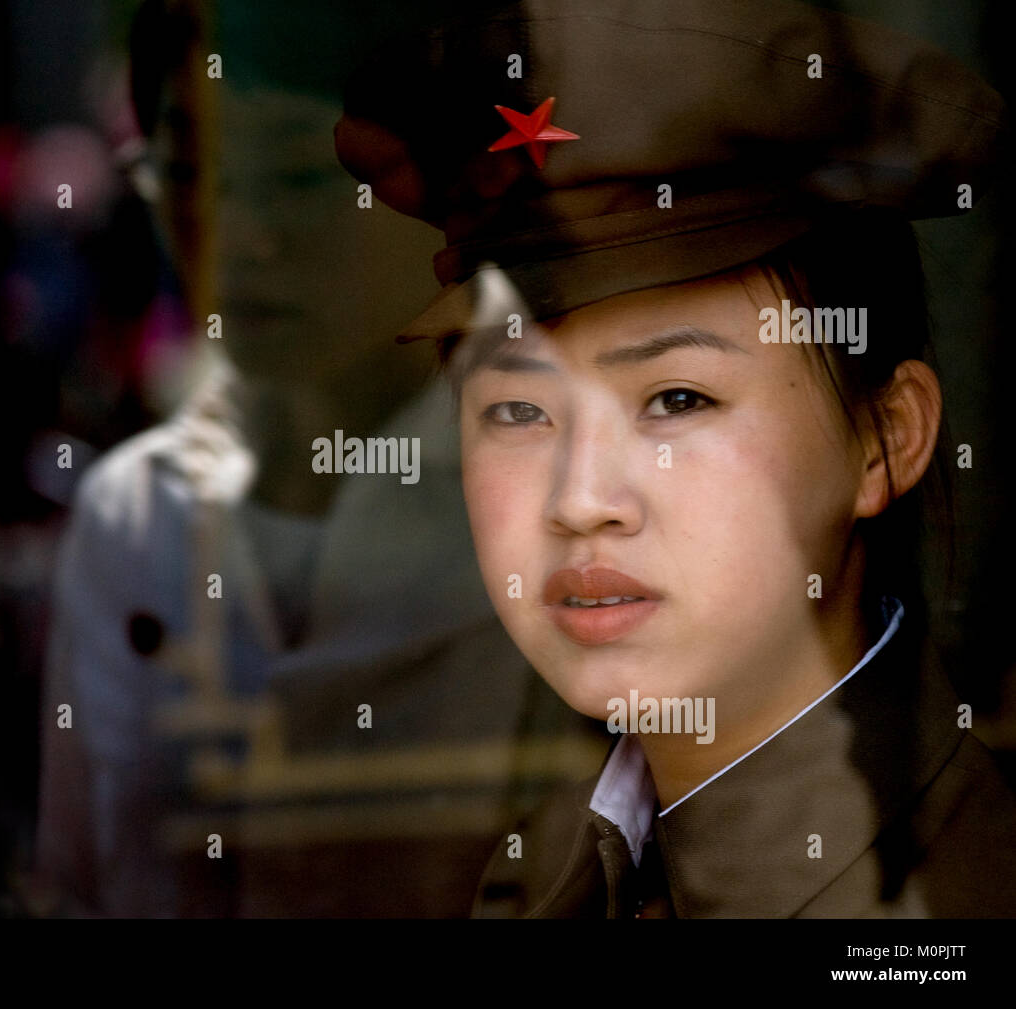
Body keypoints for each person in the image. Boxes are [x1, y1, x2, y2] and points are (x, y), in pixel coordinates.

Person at [334, 0, 1016, 916]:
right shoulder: (542, 867)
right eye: (519, 407)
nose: (580, 500)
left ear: (886, 436)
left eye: (678, 398)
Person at [33, 74, 607, 915]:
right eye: (189, 176)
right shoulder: (130, 515)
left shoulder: (584, 490)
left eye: (298, 179)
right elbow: (79, 883)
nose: (236, 238)